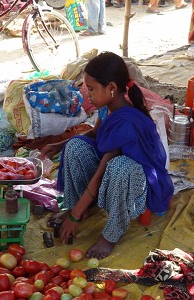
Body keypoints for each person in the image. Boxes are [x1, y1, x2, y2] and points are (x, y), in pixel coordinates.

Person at [40, 52, 174, 260]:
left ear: (111, 88)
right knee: (76, 145)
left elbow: (101, 174)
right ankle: (80, 208)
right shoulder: (107, 109)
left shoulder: (127, 124)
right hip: (109, 172)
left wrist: (73, 219)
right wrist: (59, 145)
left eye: (91, 89)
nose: (87, 95)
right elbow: (94, 134)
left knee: (120, 167)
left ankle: (112, 233)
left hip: (135, 186)